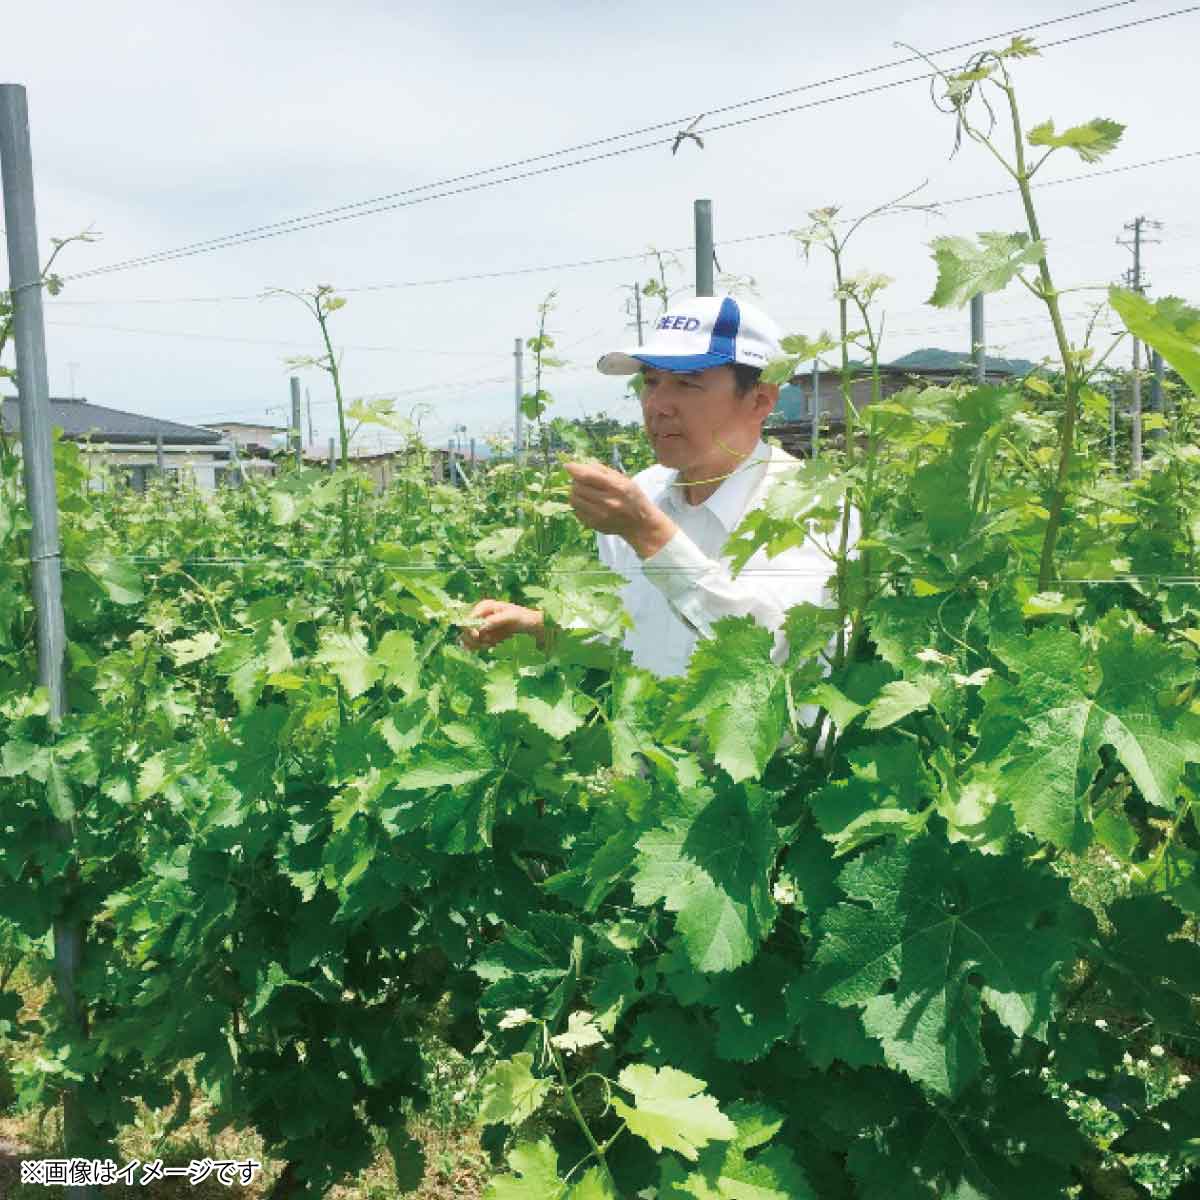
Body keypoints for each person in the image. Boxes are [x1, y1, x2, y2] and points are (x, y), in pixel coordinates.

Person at [461, 294, 848, 682]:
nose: (658, 404)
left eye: (686, 383)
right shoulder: (643, 492)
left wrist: (648, 532)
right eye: (651, 381)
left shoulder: (811, 503)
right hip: (648, 742)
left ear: (760, 399)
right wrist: (541, 628)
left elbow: (775, 653)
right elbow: (632, 640)